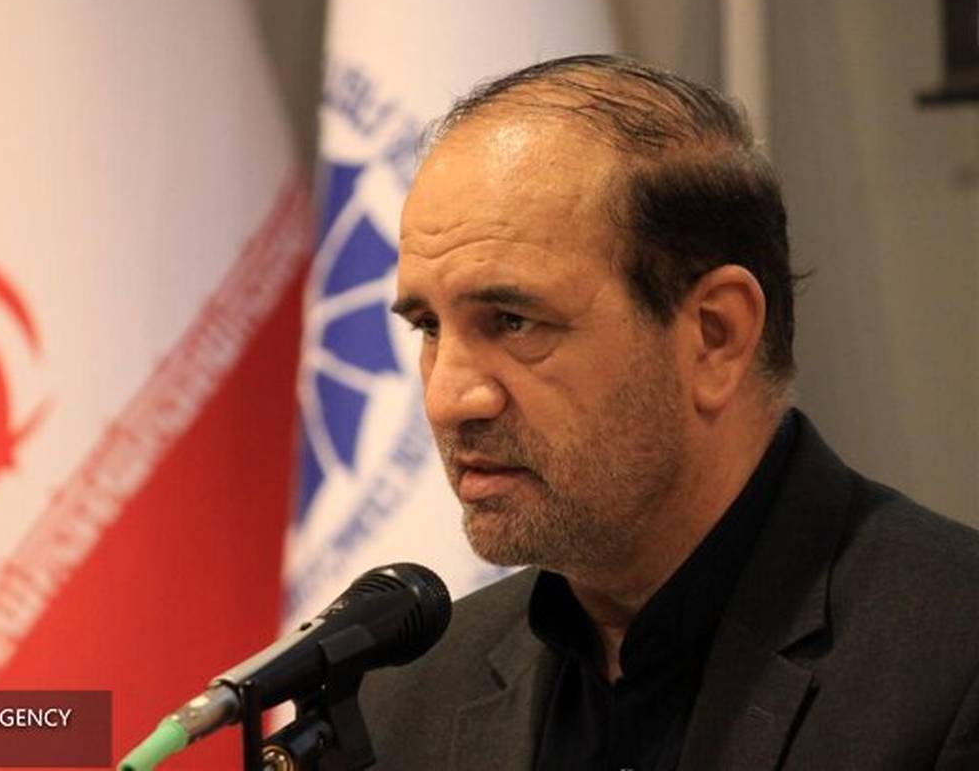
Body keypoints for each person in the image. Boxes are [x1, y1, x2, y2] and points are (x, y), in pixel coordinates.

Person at [360, 55, 979, 770]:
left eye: (513, 321)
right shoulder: (406, 694)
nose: (446, 399)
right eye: (428, 327)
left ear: (716, 334)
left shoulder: (954, 664)